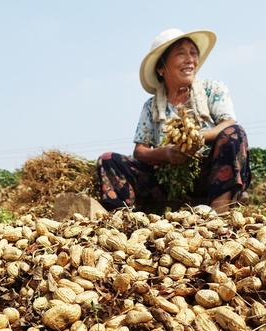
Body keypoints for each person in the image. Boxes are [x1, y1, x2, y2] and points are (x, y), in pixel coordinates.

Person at [97, 28, 251, 213]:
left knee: (234, 133)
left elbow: (228, 123)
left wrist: (198, 138)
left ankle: (220, 213)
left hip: (207, 176)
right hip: (166, 183)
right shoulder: (151, 106)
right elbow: (140, 151)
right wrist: (166, 153)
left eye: (193, 53)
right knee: (108, 160)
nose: (190, 60)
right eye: (181, 54)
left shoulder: (212, 89)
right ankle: (124, 218)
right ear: (162, 68)